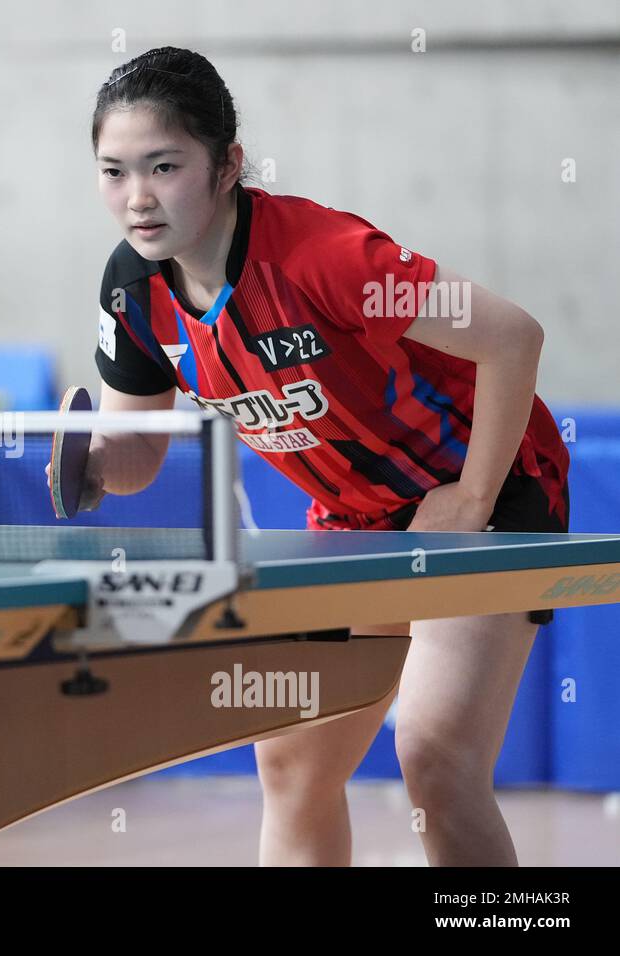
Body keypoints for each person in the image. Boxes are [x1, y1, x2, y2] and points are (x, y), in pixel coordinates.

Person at [82, 47, 568, 866]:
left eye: (164, 166)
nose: (137, 198)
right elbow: (134, 456)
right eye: (113, 171)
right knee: (292, 759)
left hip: (486, 491)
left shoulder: (323, 258)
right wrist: (85, 464)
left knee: (436, 756)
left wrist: (474, 498)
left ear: (228, 163)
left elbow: (513, 336)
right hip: (352, 520)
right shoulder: (134, 291)